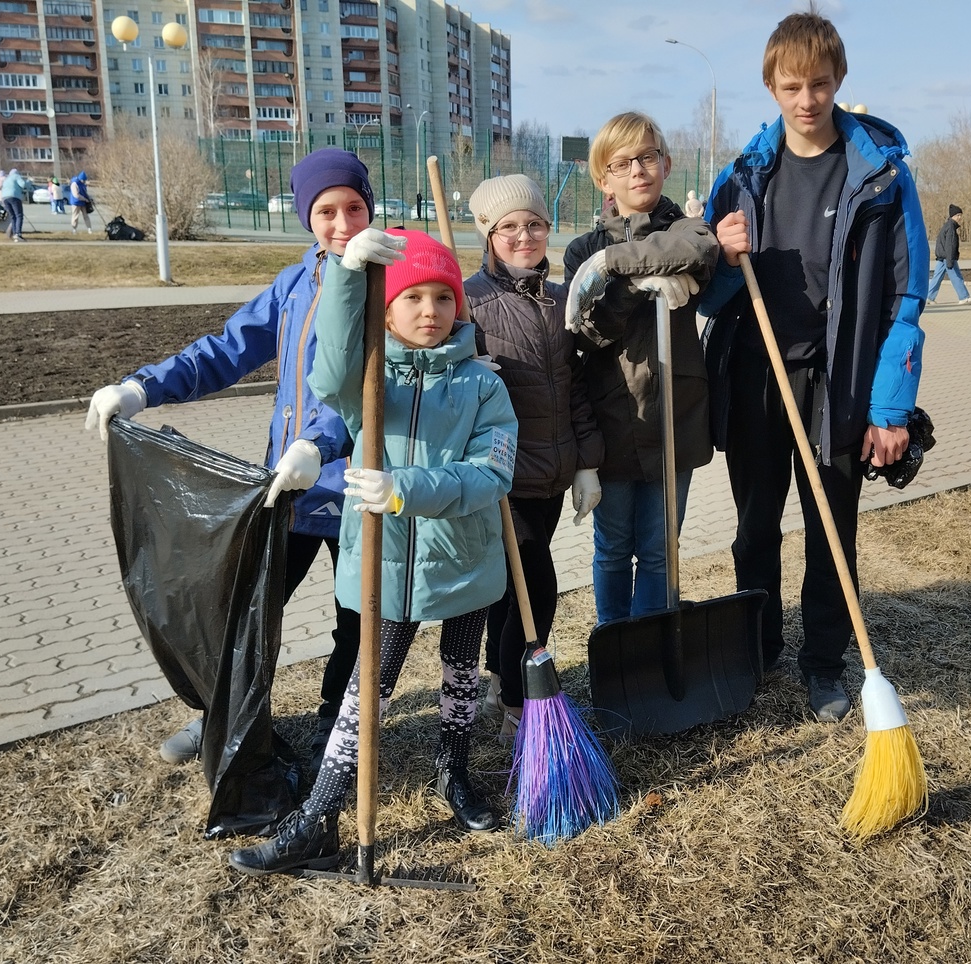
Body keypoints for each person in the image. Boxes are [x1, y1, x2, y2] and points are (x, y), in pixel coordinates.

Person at [84, 149, 399, 772]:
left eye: (354, 208)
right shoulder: (294, 282)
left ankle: (338, 734)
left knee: (357, 621)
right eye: (327, 211)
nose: (342, 224)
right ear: (306, 216)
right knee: (247, 611)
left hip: (358, 486)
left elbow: (371, 385)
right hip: (287, 487)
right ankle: (220, 715)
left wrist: (320, 442)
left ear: (371, 207)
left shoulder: (390, 280)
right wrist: (141, 387)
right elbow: (226, 350)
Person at [229, 230, 518, 875]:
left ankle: (454, 771)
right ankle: (317, 822)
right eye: (411, 297)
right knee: (368, 691)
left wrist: (404, 489)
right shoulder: (367, 378)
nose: (429, 311)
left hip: (463, 560)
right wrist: (347, 277)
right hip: (384, 566)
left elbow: (492, 474)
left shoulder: (482, 387)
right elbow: (324, 369)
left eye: (443, 297)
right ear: (387, 310)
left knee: (460, 672)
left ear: (459, 308)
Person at [699, 9, 927, 721]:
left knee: (832, 527)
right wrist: (724, 256)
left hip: (840, 382)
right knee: (754, 526)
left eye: (820, 84)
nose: (807, 100)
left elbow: (907, 294)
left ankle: (824, 663)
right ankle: (756, 651)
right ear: (771, 86)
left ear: (839, 82)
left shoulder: (882, 179)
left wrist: (891, 408)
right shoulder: (742, 178)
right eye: (792, 85)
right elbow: (705, 292)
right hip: (756, 375)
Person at [463, 174, 604, 738]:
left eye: (535, 224)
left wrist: (587, 462)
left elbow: (576, 386)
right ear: (488, 234)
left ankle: (498, 675)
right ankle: (522, 701)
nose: (525, 235)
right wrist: (460, 363)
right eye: (509, 227)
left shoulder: (559, 298)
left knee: (512, 578)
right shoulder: (469, 299)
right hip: (501, 470)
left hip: (554, 467)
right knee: (535, 582)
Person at [564, 111, 718, 625]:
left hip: (676, 415)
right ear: (604, 179)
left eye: (647, 157)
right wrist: (634, 287)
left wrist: (615, 266)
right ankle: (615, 646)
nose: (638, 170)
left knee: (659, 548)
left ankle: (651, 646)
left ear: (666, 163)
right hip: (615, 419)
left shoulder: (687, 228)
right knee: (612, 549)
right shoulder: (583, 249)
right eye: (622, 162)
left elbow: (699, 247)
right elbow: (589, 332)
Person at [926, 204, 971, 305]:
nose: (960, 217)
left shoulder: (947, 225)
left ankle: (929, 297)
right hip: (947, 257)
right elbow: (950, 245)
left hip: (942, 257)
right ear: (953, 216)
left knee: (937, 277)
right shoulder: (951, 227)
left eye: (961, 215)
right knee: (957, 277)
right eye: (958, 215)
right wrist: (950, 260)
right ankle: (964, 297)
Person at [0, 167, 29, 242]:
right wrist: (29, 182)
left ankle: (15, 233)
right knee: (19, 215)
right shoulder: (16, 176)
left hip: (5, 198)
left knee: (13, 216)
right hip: (14, 197)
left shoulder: (7, 179)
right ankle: (18, 234)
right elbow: (23, 185)